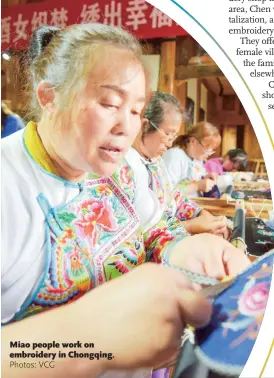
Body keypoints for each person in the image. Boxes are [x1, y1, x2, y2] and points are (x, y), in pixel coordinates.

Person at [2, 24, 249, 378]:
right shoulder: (8, 186)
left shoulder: (126, 165)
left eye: (135, 111)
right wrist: (89, 339)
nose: (125, 127)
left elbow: (152, 229)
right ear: (49, 97)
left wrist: (187, 250)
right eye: (109, 104)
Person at [126, 92, 229, 237]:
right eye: (168, 134)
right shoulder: (123, 165)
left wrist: (201, 213)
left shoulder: (156, 161)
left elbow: (172, 195)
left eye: (173, 136)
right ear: (145, 126)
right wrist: (190, 226)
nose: (170, 143)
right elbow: (134, 238)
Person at [163, 122, 221, 197]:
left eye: (212, 150)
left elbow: (196, 178)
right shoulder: (174, 156)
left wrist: (206, 177)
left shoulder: (196, 159)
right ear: (193, 141)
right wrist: (197, 186)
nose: (209, 153)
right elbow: (167, 192)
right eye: (207, 148)